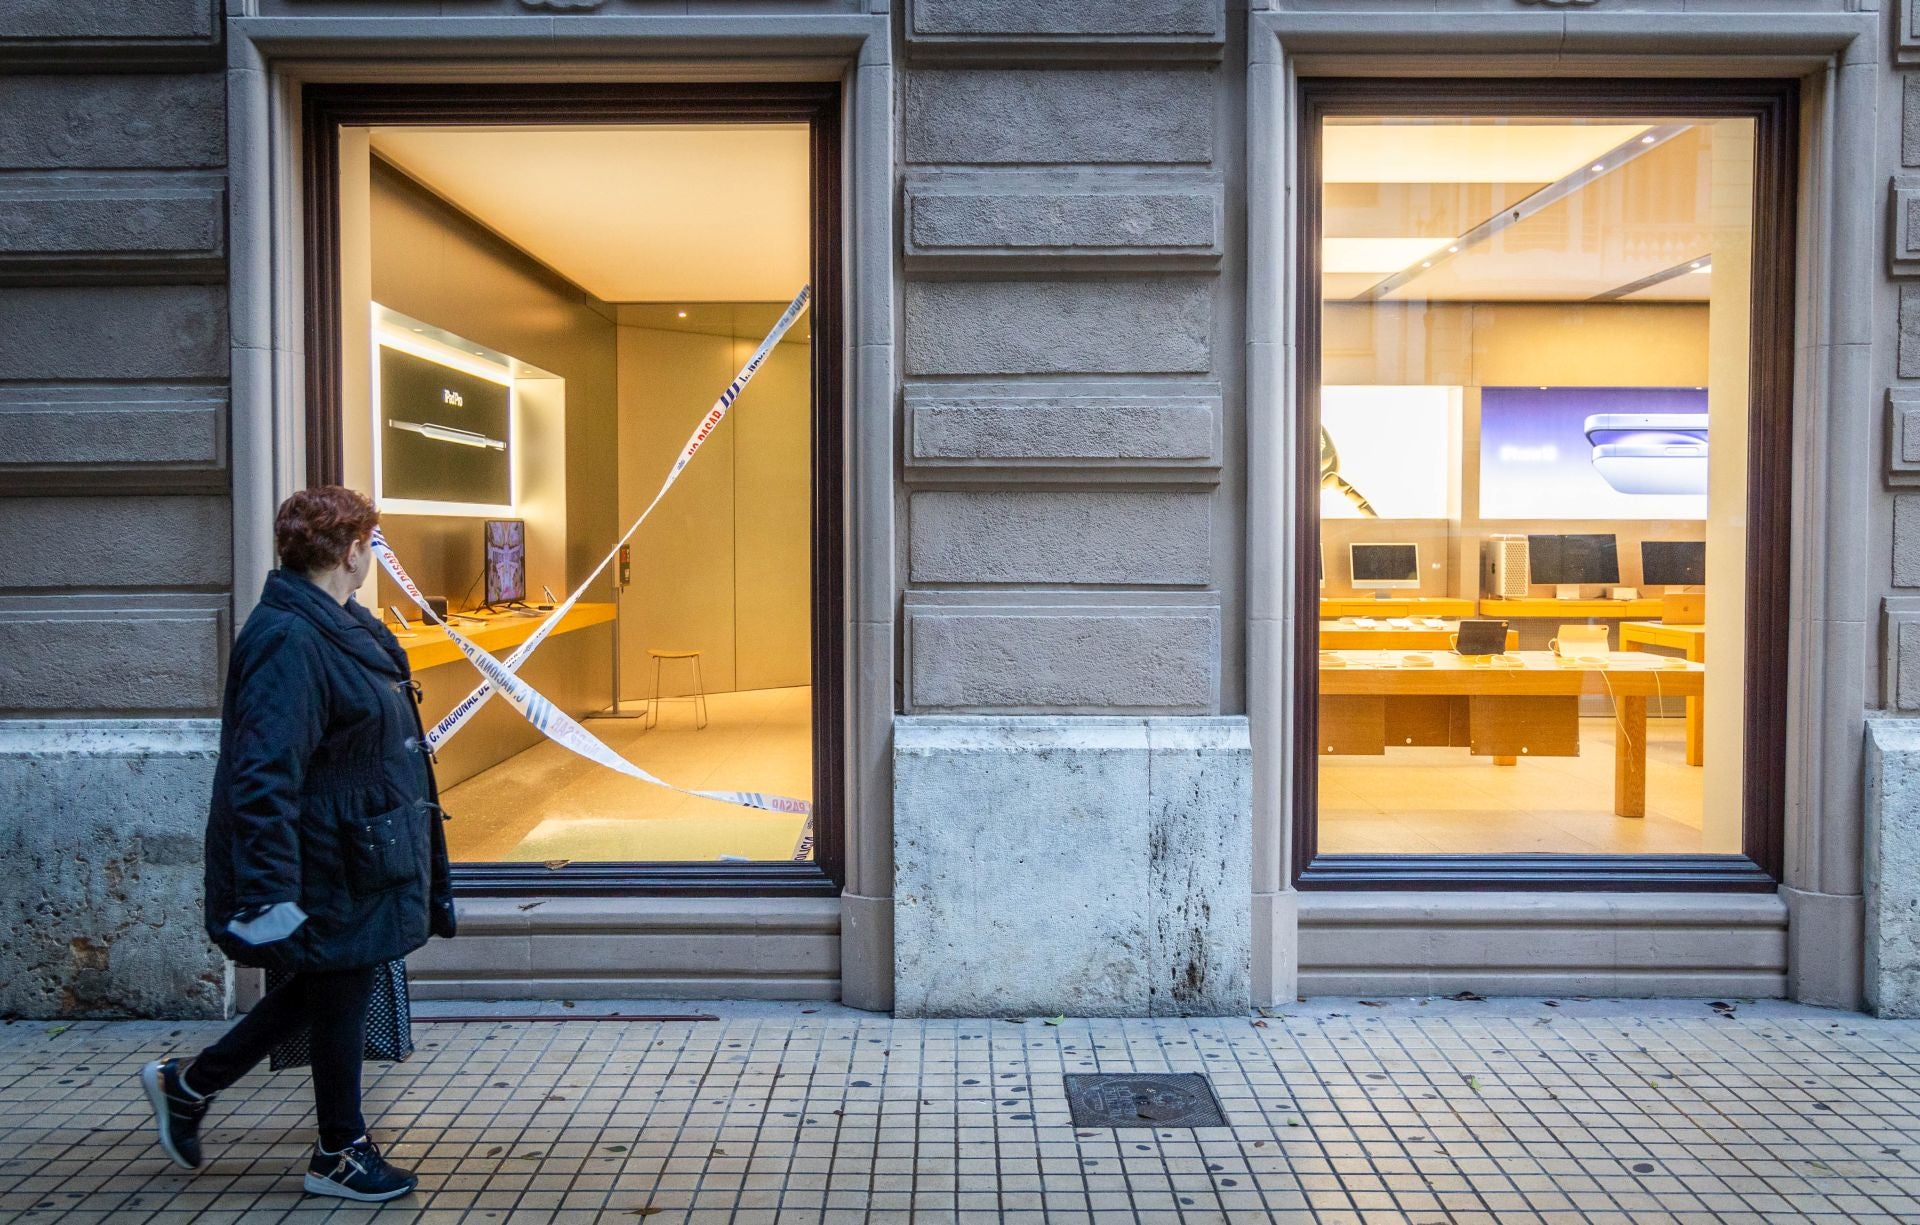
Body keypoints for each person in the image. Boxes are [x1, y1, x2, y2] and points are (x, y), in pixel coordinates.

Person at [140, 486, 456, 1203]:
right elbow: (262, 771)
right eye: (370, 543)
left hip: (355, 851)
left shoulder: (335, 623)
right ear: (351, 552)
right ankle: (335, 1148)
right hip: (322, 857)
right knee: (336, 984)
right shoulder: (290, 637)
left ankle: (194, 1085)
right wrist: (269, 888)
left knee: (335, 985)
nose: (372, 555)